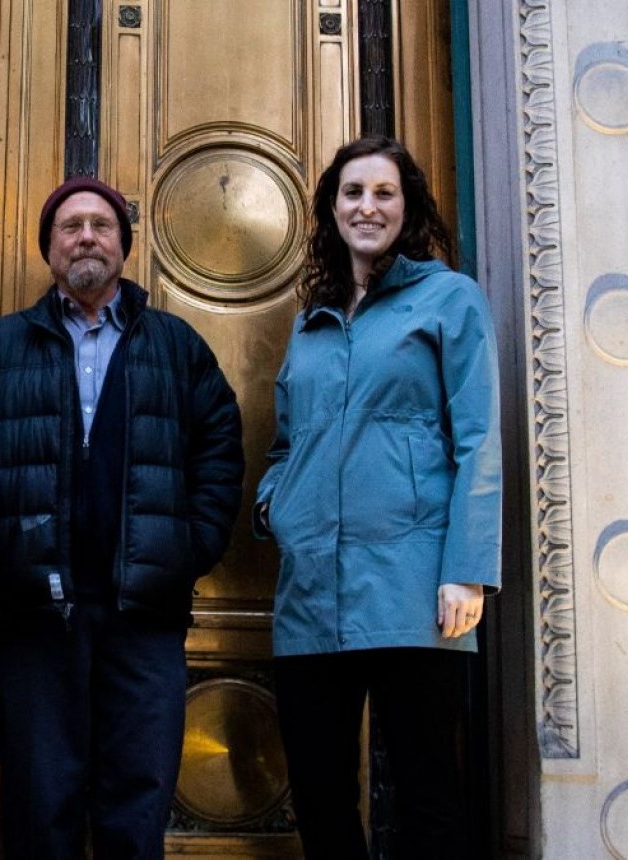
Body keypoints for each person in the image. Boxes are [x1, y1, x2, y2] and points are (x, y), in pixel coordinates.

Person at [0, 176, 244, 859]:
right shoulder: (3, 346)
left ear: (123, 247)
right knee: (39, 809)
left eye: (101, 226)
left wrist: (189, 548)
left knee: (135, 807)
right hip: (35, 618)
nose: (86, 238)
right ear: (49, 248)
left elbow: (221, 448)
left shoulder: (176, 345)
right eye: (70, 227)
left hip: (144, 618)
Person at [254, 136, 501, 858]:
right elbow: (286, 444)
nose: (367, 207)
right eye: (353, 193)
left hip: (413, 586)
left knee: (427, 793)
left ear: (407, 206)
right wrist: (276, 506)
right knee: (319, 794)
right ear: (333, 210)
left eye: (384, 193)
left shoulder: (450, 298)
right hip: (311, 590)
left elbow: (479, 438)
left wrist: (467, 569)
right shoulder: (312, 320)